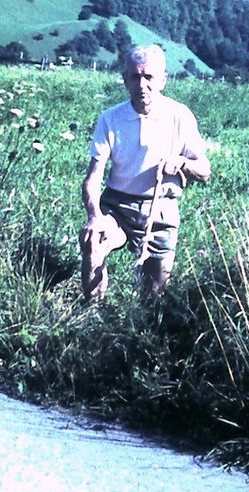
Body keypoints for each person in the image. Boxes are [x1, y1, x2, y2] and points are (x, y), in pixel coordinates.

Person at [79, 44, 211, 302]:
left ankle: (142, 325)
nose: (142, 84)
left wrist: (181, 162)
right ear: (124, 79)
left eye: (148, 77)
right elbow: (93, 178)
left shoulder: (179, 116)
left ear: (163, 80)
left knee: (153, 297)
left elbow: (204, 170)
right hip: (117, 207)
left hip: (161, 211)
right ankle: (91, 318)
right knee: (93, 239)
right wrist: (94, 215)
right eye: (135, 76)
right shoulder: (110, 119)